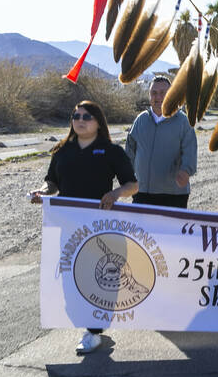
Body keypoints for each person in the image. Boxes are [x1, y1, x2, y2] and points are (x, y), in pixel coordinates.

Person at [30, 101, 138, 354]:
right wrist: (42, 192)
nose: (80, 120)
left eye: (87, 116)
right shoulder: (61, 151)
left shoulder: (111, 151)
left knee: (96, 280)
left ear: (98, 122)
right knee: (71, 281)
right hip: (69, 227)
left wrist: (115, 194)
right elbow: (52, 183)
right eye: (76, 116)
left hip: (100, 228)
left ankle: (93, 332)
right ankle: (92, 326)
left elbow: (132, 185)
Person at [125, 75, 197, 208]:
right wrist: (128, 176)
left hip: (174, 195)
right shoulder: (141, 120)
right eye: (154, 93)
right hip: (142, 193)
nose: (158, 97)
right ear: (149, 96)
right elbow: (130, 151)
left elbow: (190, 152)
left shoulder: (183, 122)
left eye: (163, 93)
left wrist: (185, 171)